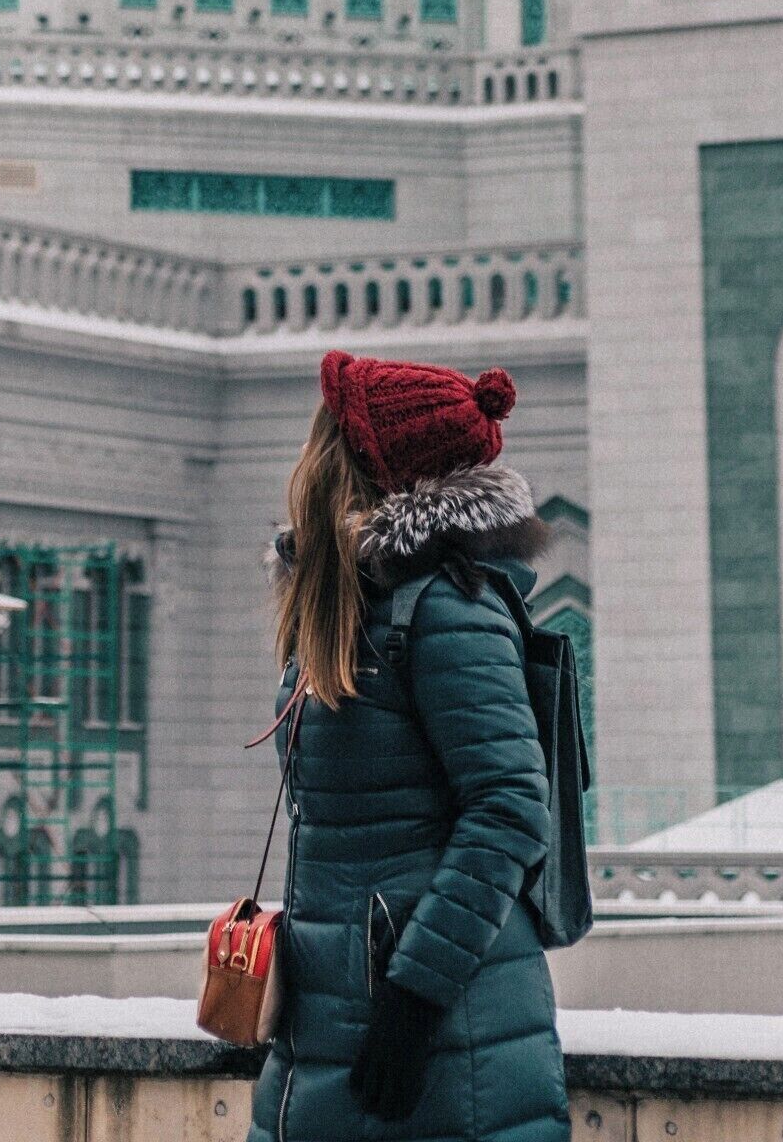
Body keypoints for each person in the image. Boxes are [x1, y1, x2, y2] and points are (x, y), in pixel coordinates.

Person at [246, 353, 568, 1142]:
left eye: (324, 435)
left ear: (361, 465)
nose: (302, 459)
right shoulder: (357, 609)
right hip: (339, 1024)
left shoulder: (445, 611)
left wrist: (414, 996)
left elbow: (510, 808)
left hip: (438, 1042)